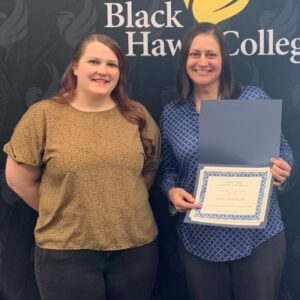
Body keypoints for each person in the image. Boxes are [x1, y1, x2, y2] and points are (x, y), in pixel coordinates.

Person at [3, 33, 160, 300]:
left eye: (112, 64)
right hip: (66, 255)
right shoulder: (43, 116)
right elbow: (18, 179)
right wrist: (62, 209)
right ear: (75, 67)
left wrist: (118, 202)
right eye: (94, 61)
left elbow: (149, 170)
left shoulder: (137, 115)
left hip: (136, 251)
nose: (103, 71)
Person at [159, 22, 294, 300]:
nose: (202, 62)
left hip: (259, 237)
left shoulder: (252, 99)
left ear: (223, 60)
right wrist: (171, 191)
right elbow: (168, 169)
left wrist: (283, 169)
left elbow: (283, 150)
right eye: (194, 54)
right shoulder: (172, 113)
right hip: (200, 239)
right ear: (185, 59)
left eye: (211, 54)